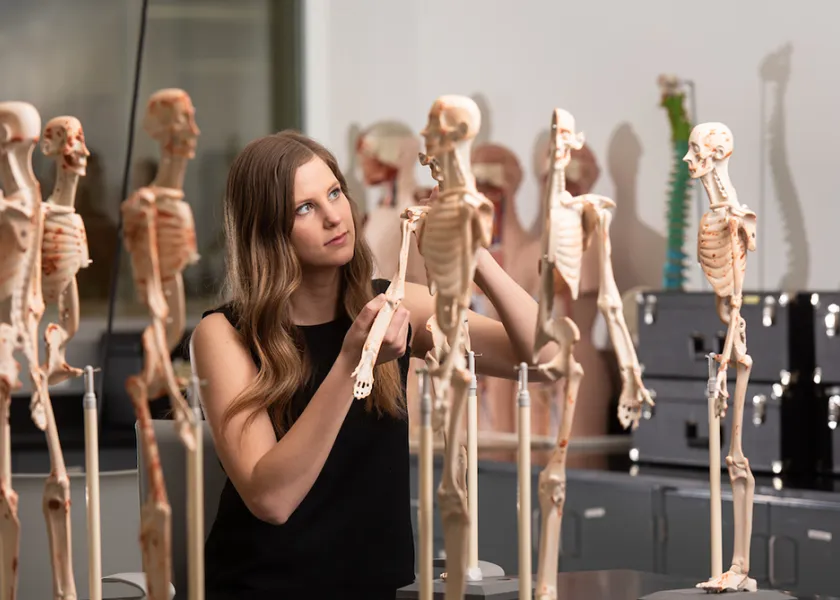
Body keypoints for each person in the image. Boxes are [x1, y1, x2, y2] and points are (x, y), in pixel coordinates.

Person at [189, 130, 559, 599]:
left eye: (334, 193)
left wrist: (476, 257)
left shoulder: (396, 304)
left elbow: (546, 359)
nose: (333, 216)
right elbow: (271, 500)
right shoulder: (224, 335)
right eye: (304, 208)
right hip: (264, 588)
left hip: (383, 589)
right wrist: (353, 362)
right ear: (266, 231)